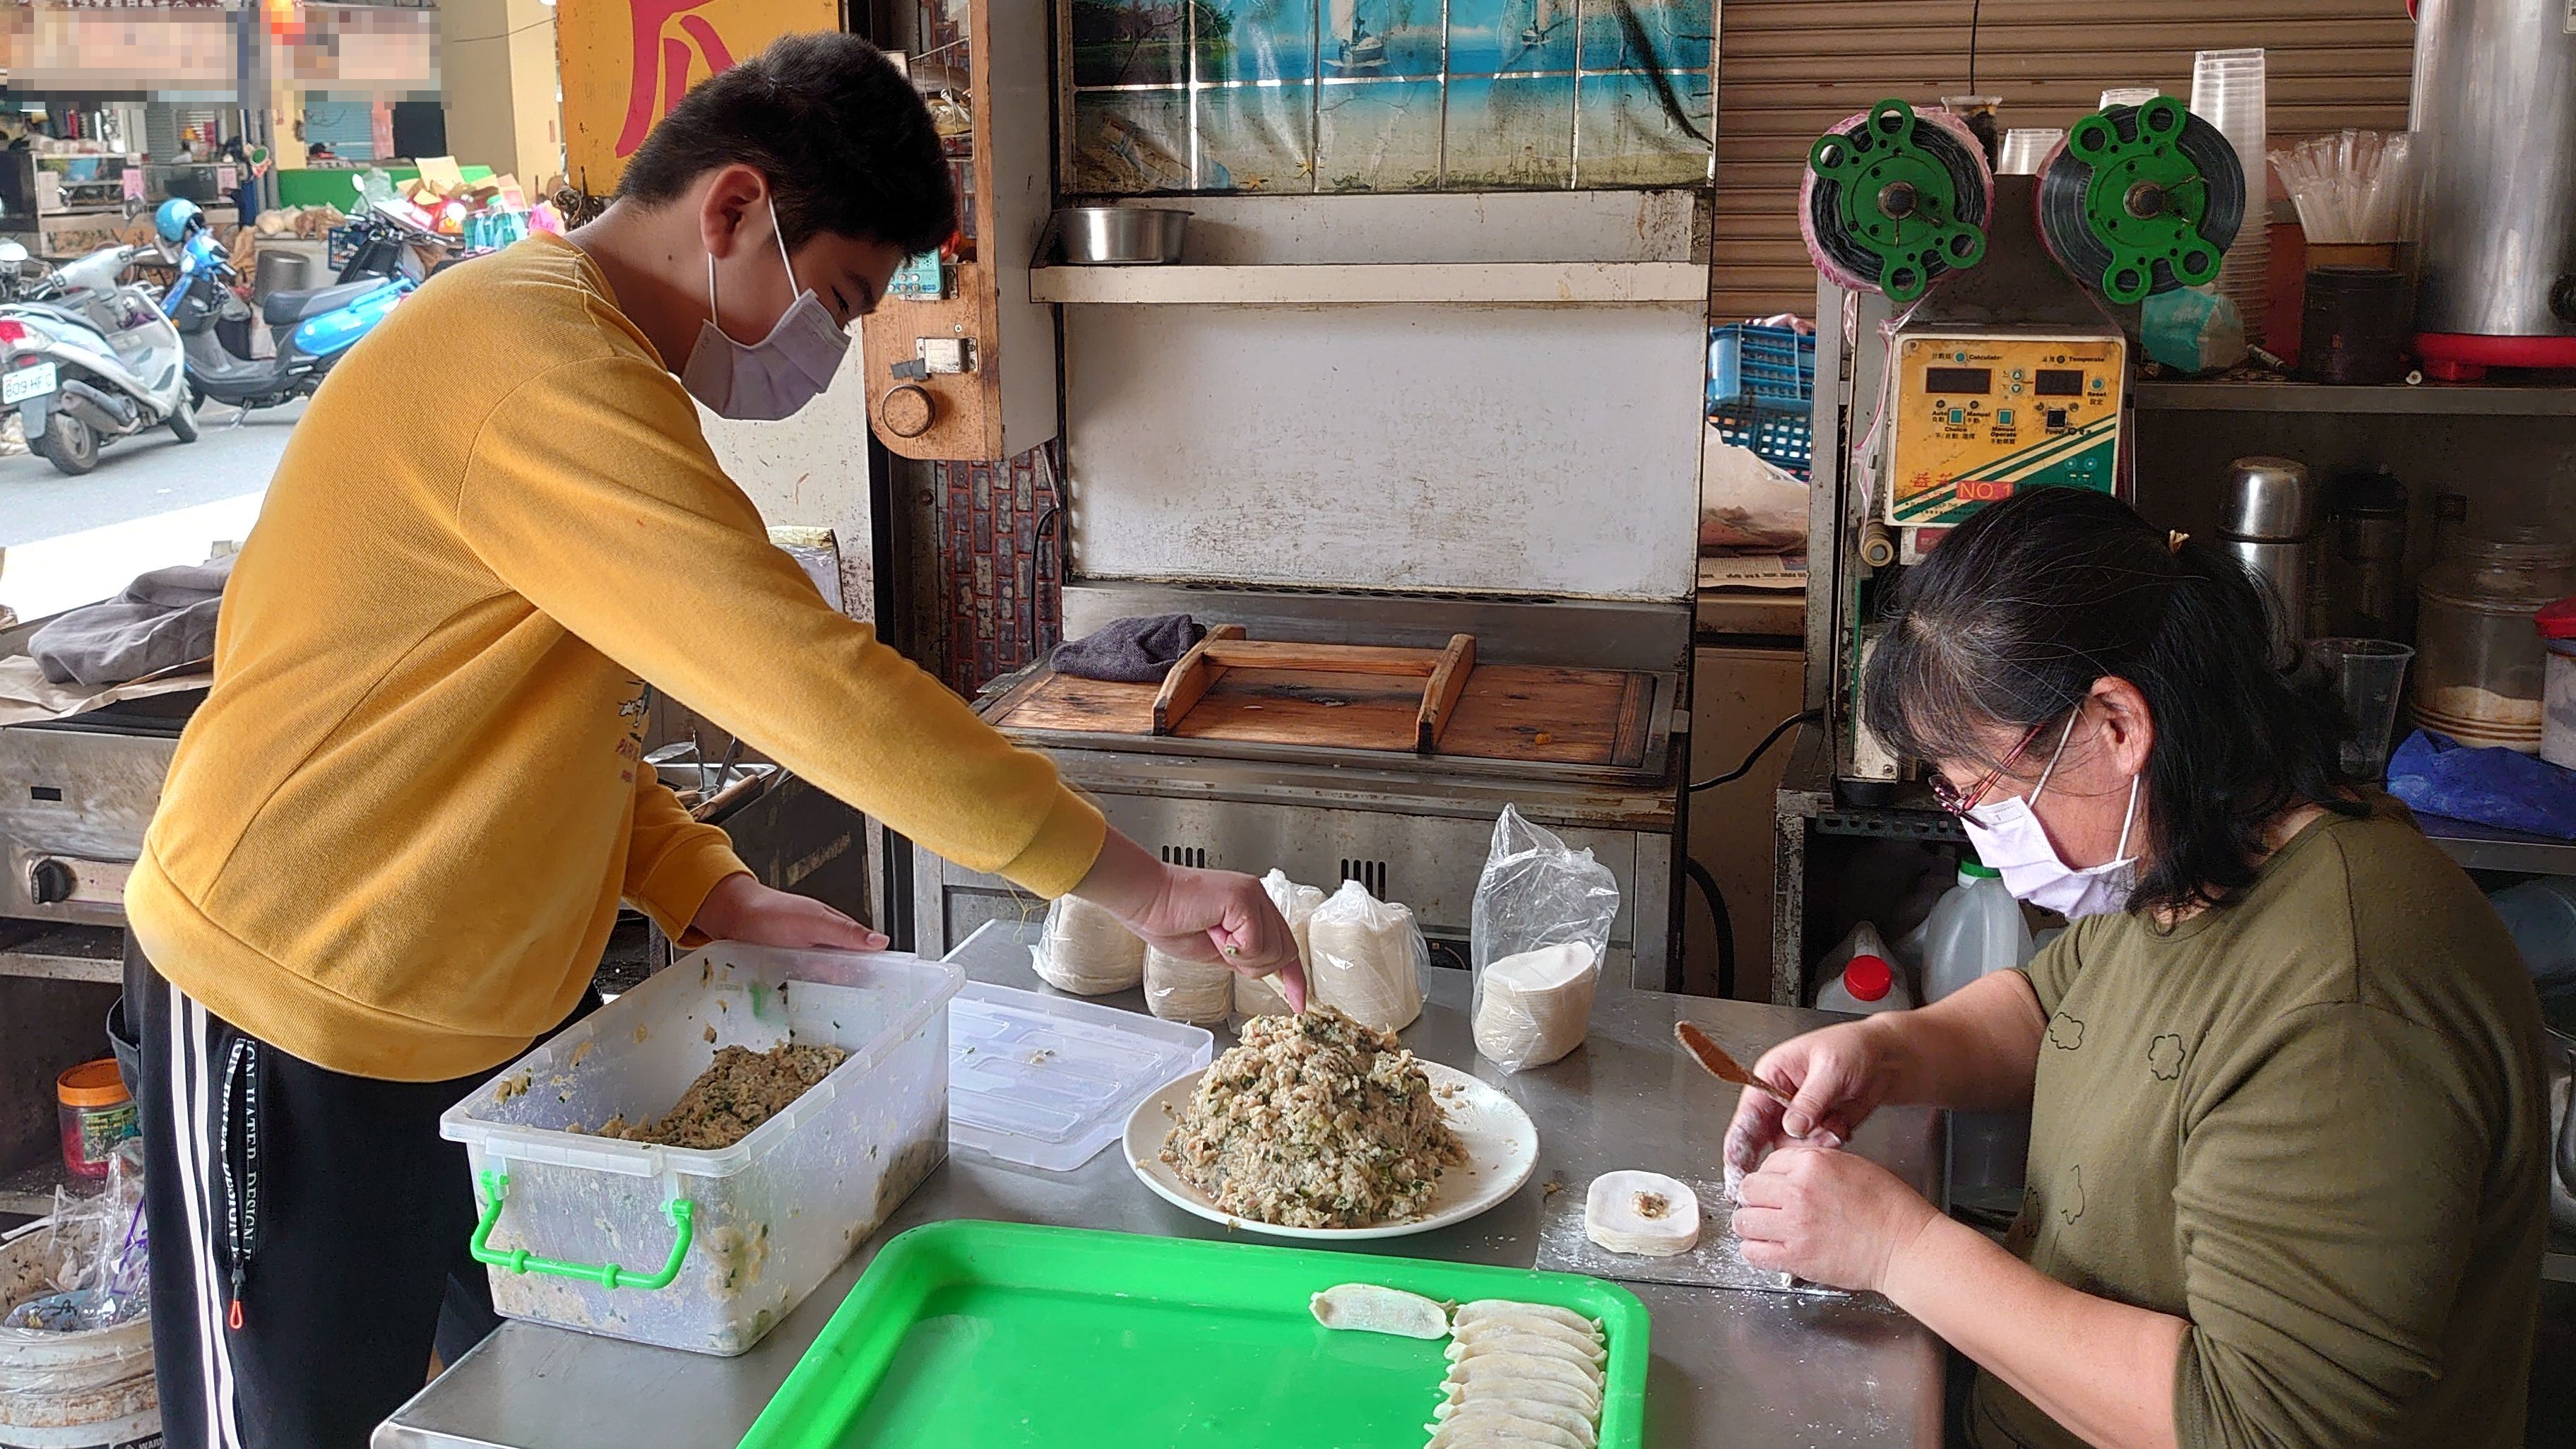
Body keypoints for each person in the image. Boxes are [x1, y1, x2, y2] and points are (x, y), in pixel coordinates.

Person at [127, 32, 1302, 1449]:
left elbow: (544, 719)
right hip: (294, 1011)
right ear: (735, 208)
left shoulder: (599, 371)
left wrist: (705, 885)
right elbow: (810, 685)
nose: (831, 347)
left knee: (511, 1417)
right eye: (844, 297)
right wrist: (1144, 887)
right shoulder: (525, 357)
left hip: (487, 1041)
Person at [1723, 487, 2547, 1449]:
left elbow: (2260, 1427)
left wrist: (1899, 1250)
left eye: (1973, 787)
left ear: (2117, 725)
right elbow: (2052, 1006)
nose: (1977, 826)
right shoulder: (2202, 853)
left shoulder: (2352, 1003)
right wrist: (1888, 1053)